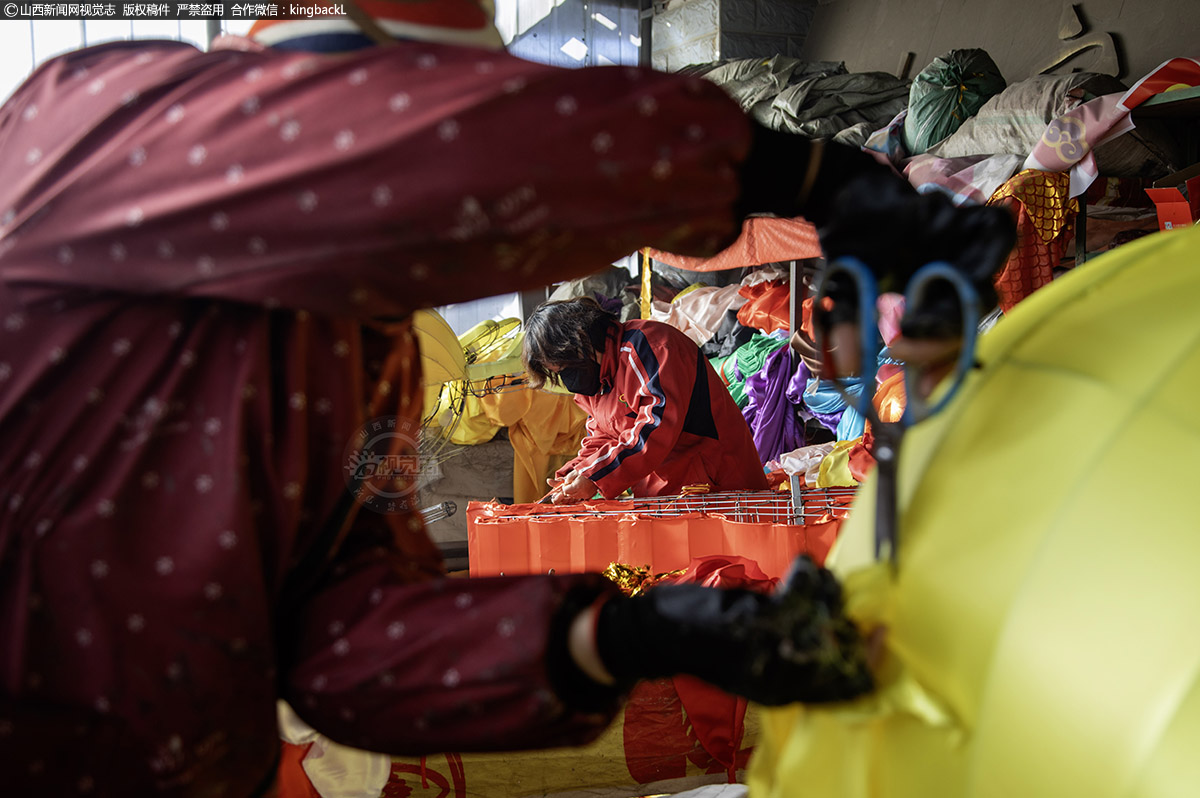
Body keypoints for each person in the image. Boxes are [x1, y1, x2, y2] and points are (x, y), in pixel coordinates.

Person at [0, 3, 1001, 794]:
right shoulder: (82, 120)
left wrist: (626, 637)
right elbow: (439, 161)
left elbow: (348, 640)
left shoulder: (361, 351)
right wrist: (805, 176)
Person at [522, 297, 768, 503]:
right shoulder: (595, 378)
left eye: (564, 366)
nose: (565, 378)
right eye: (557, 373)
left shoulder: (651, 346)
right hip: (664, 498)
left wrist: (595, 475)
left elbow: (655, 427)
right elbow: (602, 436)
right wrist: (574, 475)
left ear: (581, 340)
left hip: (719, 489)